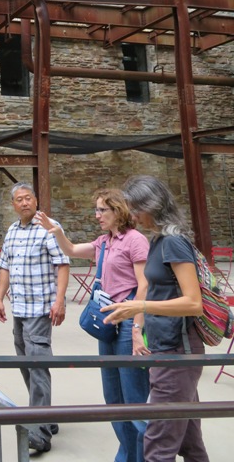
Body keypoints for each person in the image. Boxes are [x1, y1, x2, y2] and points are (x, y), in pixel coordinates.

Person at [36, 188, 150, 462]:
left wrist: (137, 331)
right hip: (107, 324)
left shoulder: (135, 240)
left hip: (127, 322)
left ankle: (144, 456)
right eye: (96, 210)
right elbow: (73, 250)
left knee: (133, 397)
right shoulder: (104, 242)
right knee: (112, 397)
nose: (97, 215)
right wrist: (57, 231)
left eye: (102, 210)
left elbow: (145, 285)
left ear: (118, 211)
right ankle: (127, 453)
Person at [102, 175, 209, 462]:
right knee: (189, 440)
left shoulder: (173, 242)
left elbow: (193, 302)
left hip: (178, 351)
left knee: (158, 442)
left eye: (137, 208)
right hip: (165, 346)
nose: (133, 216)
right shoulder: (159, 240)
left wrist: (140, 306)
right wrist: (138, 322)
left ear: (154, 205)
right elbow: (153, 288)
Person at [0, 182, 70, 454]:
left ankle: (40, 434)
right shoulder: (12, 230)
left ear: (36, 201)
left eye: (29, 198)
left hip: (40, 308)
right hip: (20, 309)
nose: (25, 203)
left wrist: (60, 300)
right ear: (13, 205)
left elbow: (62, 263)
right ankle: (46, 417)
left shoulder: (49, 226)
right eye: (19, 200)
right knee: (26, 363)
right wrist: (0, 298)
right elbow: (5, 266)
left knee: (37, 365)